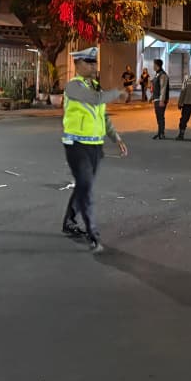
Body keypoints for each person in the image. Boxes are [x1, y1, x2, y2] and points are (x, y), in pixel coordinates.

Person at [60, 47, 128, 253]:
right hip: (76, 145)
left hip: (95, 146)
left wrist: (116, 137)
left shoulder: (96, 86)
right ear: (77, 64)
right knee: (87, 188)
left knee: (83, 186)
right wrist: (118, 92)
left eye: (94, 63)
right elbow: (96, 100)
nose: (93, 66)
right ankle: (93, 235)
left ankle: (69, 221)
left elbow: (103, 116)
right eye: (88, 63)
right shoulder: (73, 87)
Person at [151, 59, 170, 139]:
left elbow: (163, 88)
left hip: (160, 99)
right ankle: (159, 132)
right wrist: (152, 97)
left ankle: (162, 133)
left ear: (157, 65)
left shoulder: (162, 75)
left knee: (161, 116)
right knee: (158, 116)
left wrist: (162, 100)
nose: (153, 66)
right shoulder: (157, 74)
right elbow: (155, 87)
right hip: (156, 98)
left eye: (154, 65)